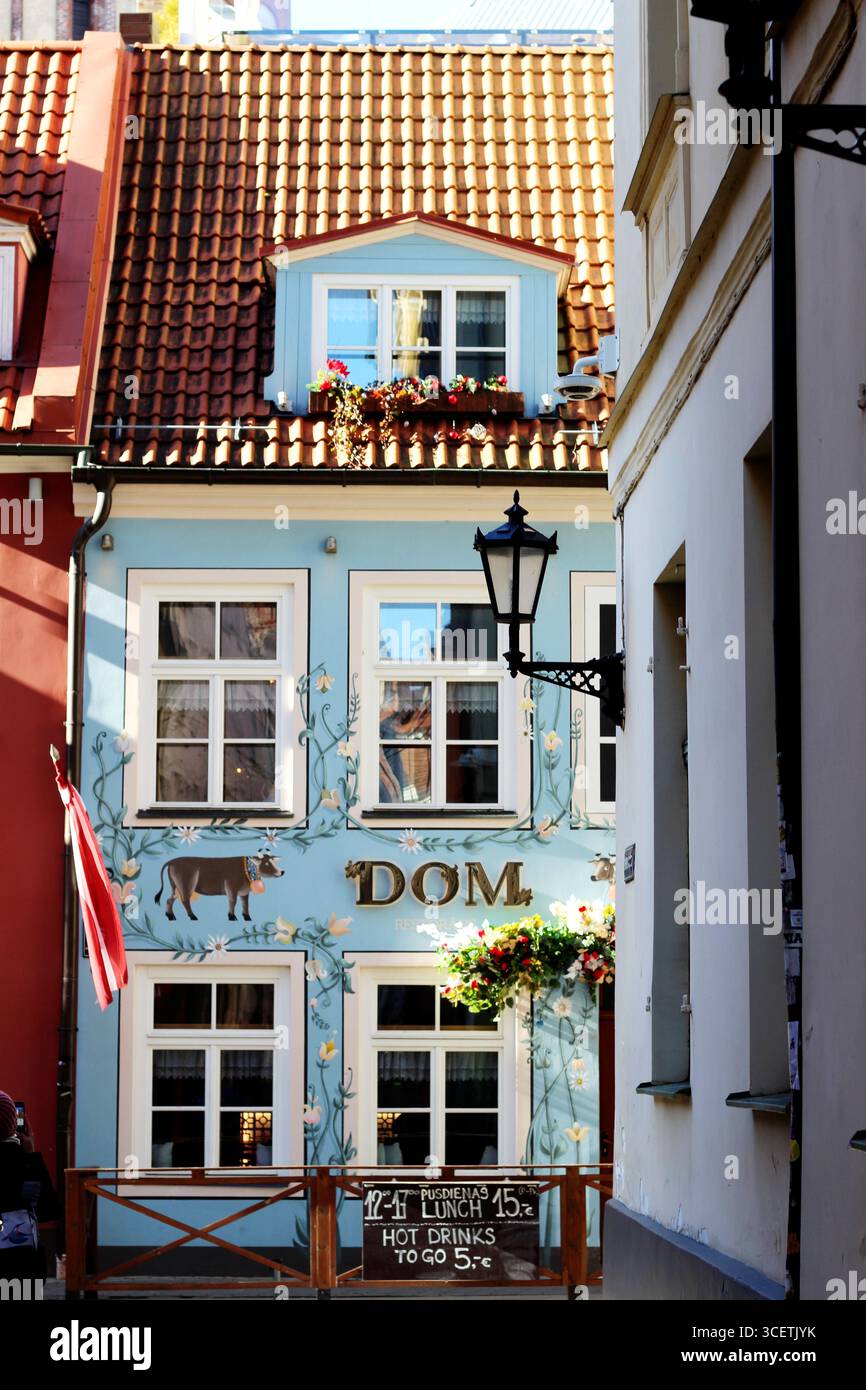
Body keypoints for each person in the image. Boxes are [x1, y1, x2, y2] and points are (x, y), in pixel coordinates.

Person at [0, 1091, 60, 1279]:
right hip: (21, 1265)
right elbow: (48, 1210)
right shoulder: (22, 1160)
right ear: (12, 1125)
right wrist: (31, 1155)